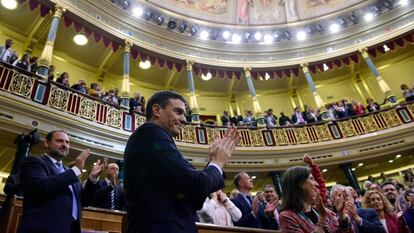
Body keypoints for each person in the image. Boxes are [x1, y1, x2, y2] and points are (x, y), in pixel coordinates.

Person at [123, 90, 240, 233]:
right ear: (157, 110)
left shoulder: (154, 138)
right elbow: (197, 186)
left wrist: (213, 162)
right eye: (178, 112)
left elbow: (194, 195)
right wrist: (218, 162)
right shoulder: (151, 134)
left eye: (184, 114)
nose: (184, 119)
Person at [18, 130, 98, 233]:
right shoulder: (33, 161)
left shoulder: (69, 172)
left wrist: (92, 179)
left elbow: (83, 201)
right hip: (42, 228)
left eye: (67, 142)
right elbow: (41, 187)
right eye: (60, 141)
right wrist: (76, 170)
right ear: (46, 143)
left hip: (71, 228)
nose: (64, 145)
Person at [279, 166, 354, 233]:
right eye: (311, 179)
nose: (317, 184)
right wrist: (321, 219)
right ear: (300, 184)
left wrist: (341, 215)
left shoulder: (321, 210)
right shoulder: (287, 216)